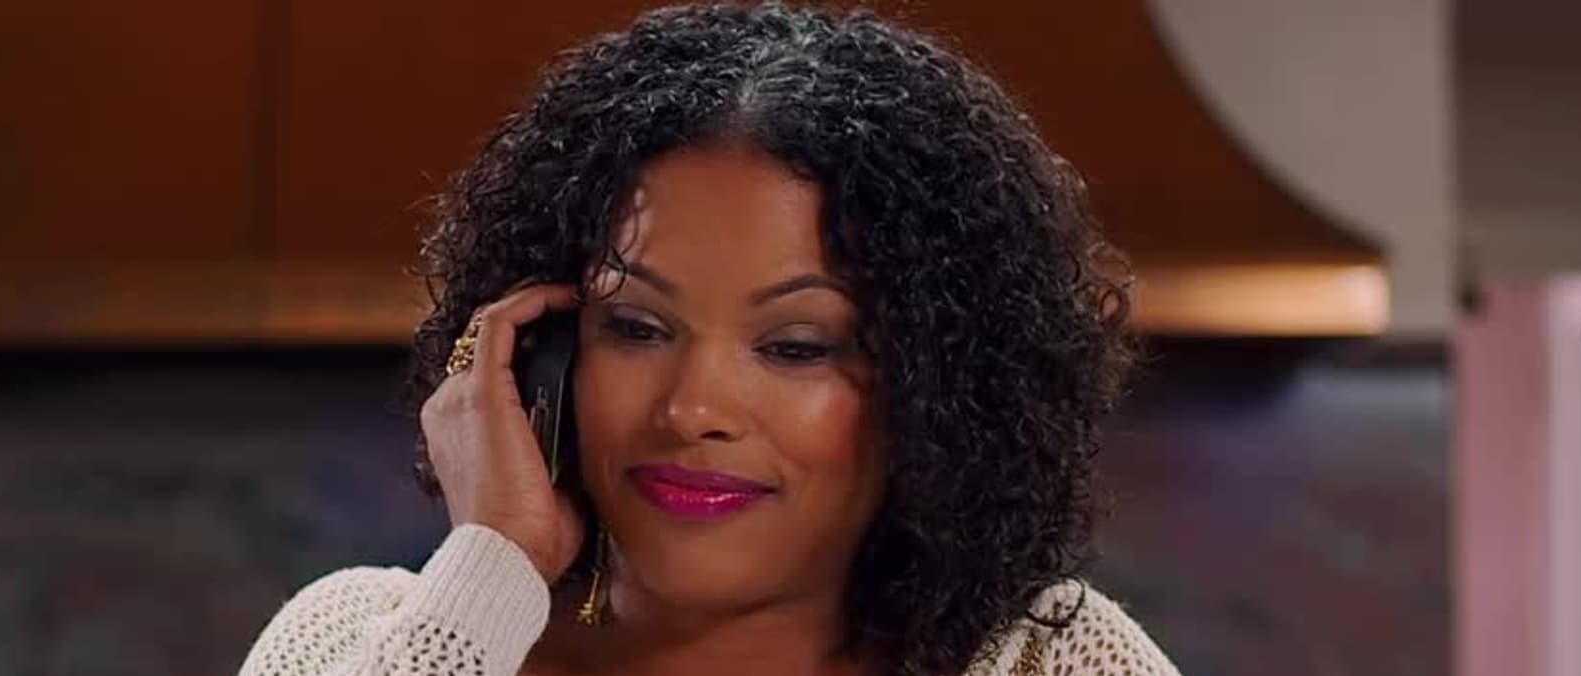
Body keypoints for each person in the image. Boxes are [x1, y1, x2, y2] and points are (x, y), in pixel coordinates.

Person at [239, 3, 1178, 675]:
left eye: (796, 346)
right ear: (539, 357)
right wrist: (492, 573)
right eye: (637, 327)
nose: (693, 410)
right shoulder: (359, 638)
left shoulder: (1055, 660)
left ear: (939, 388)